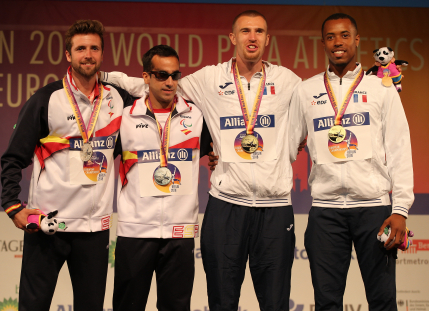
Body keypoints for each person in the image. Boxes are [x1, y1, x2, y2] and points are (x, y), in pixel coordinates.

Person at [102, 10, 301, 311]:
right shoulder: (210, 78)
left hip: (274, 207)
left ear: (267, 38)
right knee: (221, 301)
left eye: (259, 31)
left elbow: (317, 111)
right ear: (233, 37)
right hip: (226, 202)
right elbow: (156, 86)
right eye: (245, 31)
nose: (252, 37)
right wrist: (103, 77)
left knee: (275, 303)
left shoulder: (287, 81)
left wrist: (288, 150)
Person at [0, 20, 133, 311]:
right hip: (49, 226)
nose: (88, 54)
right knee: (33, 307)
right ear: (68, 56)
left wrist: (209, 148)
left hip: (94, 230)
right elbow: (13, 157)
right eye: (81, 48)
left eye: (94, 48)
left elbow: (158, 110)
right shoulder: (46, 99)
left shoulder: (118, 99)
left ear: (102, 54)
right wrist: (13, 206)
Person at [288, 13, 413, 311]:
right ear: (323, 43)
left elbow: (399, 148)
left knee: (382, 301)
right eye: (330, 37)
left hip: (374, 208)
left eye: (344, 35)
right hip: (326, 212)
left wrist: (400, 209)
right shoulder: (306, 91)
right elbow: (287, 146)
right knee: (327, 302)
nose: (337, 43)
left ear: (357, 40)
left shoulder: (381, 88)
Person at [112, 45, 204, 311]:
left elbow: (216, 150)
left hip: (180, 231)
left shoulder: (197, 116)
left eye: (175, 75)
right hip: (135, 231)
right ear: (146, 77)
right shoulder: (125, 118)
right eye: (161, 75)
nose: (170, 82)